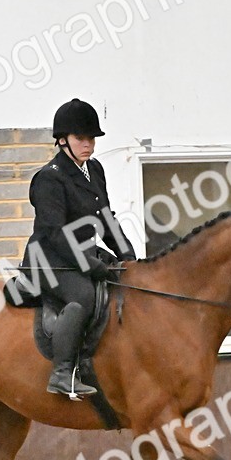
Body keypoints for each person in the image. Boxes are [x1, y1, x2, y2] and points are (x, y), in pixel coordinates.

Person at [22, 98, 136, 398]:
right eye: (80, 139)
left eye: (91, 139)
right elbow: (56, 234)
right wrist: (90, 265)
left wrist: (128, 256)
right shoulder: (50, 178)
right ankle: (62, 374)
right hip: (49, 259)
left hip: (80, 253)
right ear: (62, 141)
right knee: (83, 296)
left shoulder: (93, 170)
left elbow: (106, 218)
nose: (88, 145)